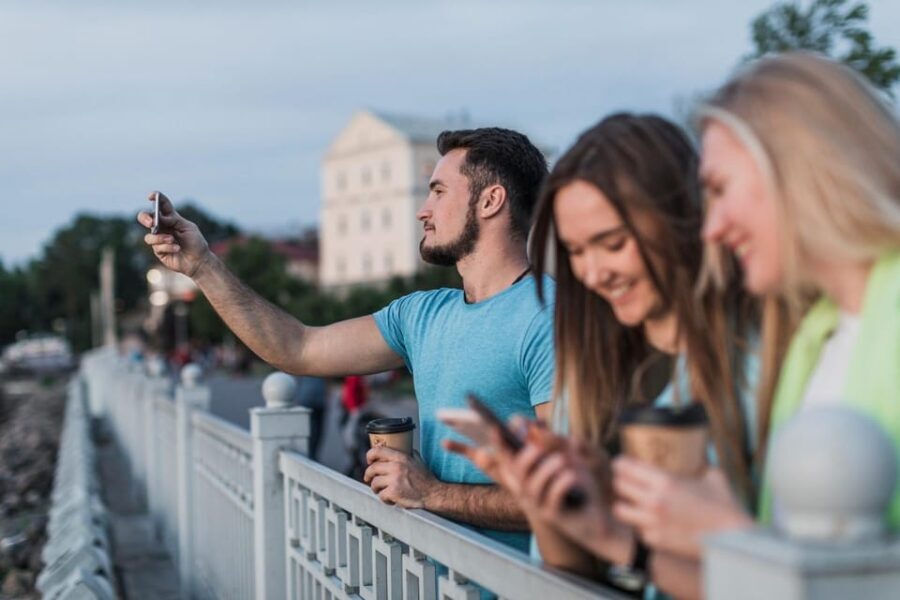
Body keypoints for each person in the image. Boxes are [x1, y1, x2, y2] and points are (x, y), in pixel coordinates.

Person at [138, 127, 554, 552]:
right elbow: (297, 348)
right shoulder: (421, 315)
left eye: (439, 191)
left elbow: (576, 498)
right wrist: (203, 266)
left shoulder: (550, 319)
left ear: (490, 200)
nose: (422, 210)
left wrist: (431, 493)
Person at [609, 50, 900, 592]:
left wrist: (726, 533)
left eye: (719, 189)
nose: (712, 229)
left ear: (798, 164)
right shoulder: (819, 334)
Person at [447, 113, 760, 598]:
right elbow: (571, 570)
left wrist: (621, 542)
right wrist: (547, 505)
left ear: (680, 219)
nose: (594, 273)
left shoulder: (757, 362)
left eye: (612, 244)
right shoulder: (588, 365)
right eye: (576, 252)